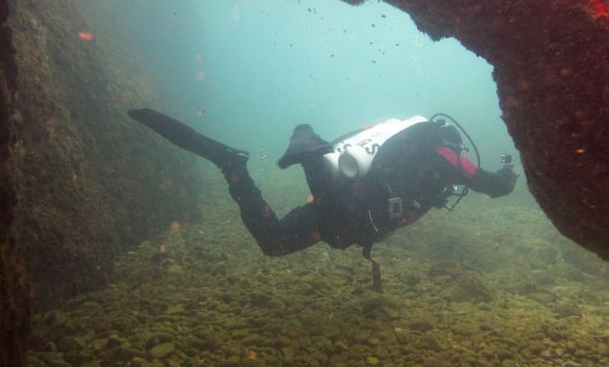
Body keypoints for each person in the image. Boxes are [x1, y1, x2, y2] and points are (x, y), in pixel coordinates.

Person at [129, 109, 517, 291]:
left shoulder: (401, 141)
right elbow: (493, 185)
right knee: (312, 223)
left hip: (343, 201)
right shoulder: (445, 154)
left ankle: (236, 164)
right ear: (448, 140)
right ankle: (303, 151)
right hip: (352, 215)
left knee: (275, 240)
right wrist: (509, 175)